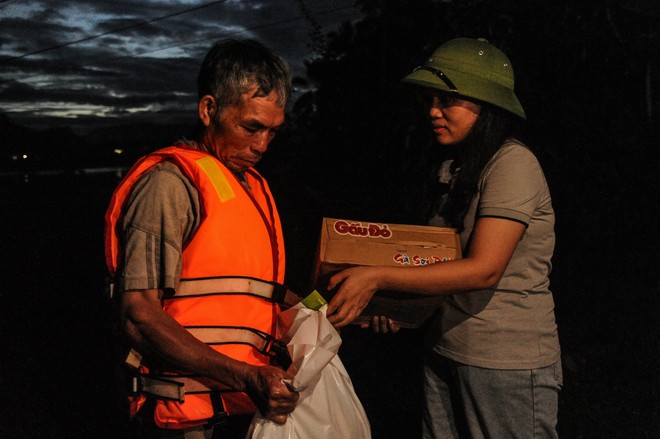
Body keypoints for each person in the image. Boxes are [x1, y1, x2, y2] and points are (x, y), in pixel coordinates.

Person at [326, 38, 562, 438]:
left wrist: (376, 278)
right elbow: (432, 263)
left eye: (446, 101)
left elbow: (483, 270)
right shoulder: (455, 168)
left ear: (485, 104)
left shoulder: (513, 163)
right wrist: (399, 310)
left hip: (505, 362)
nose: (432, 111)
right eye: (430, 99)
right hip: (444, 349)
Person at [104, 38, 299, 438]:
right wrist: (245, 375)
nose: (262, 146)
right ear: (209, 109)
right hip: (182, 417)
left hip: (240, 408)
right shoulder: (169, 186)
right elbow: (139, 314)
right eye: (251, 127)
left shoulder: (247, 184)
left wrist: (334, 306)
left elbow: (260, 295)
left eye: (273, 132)